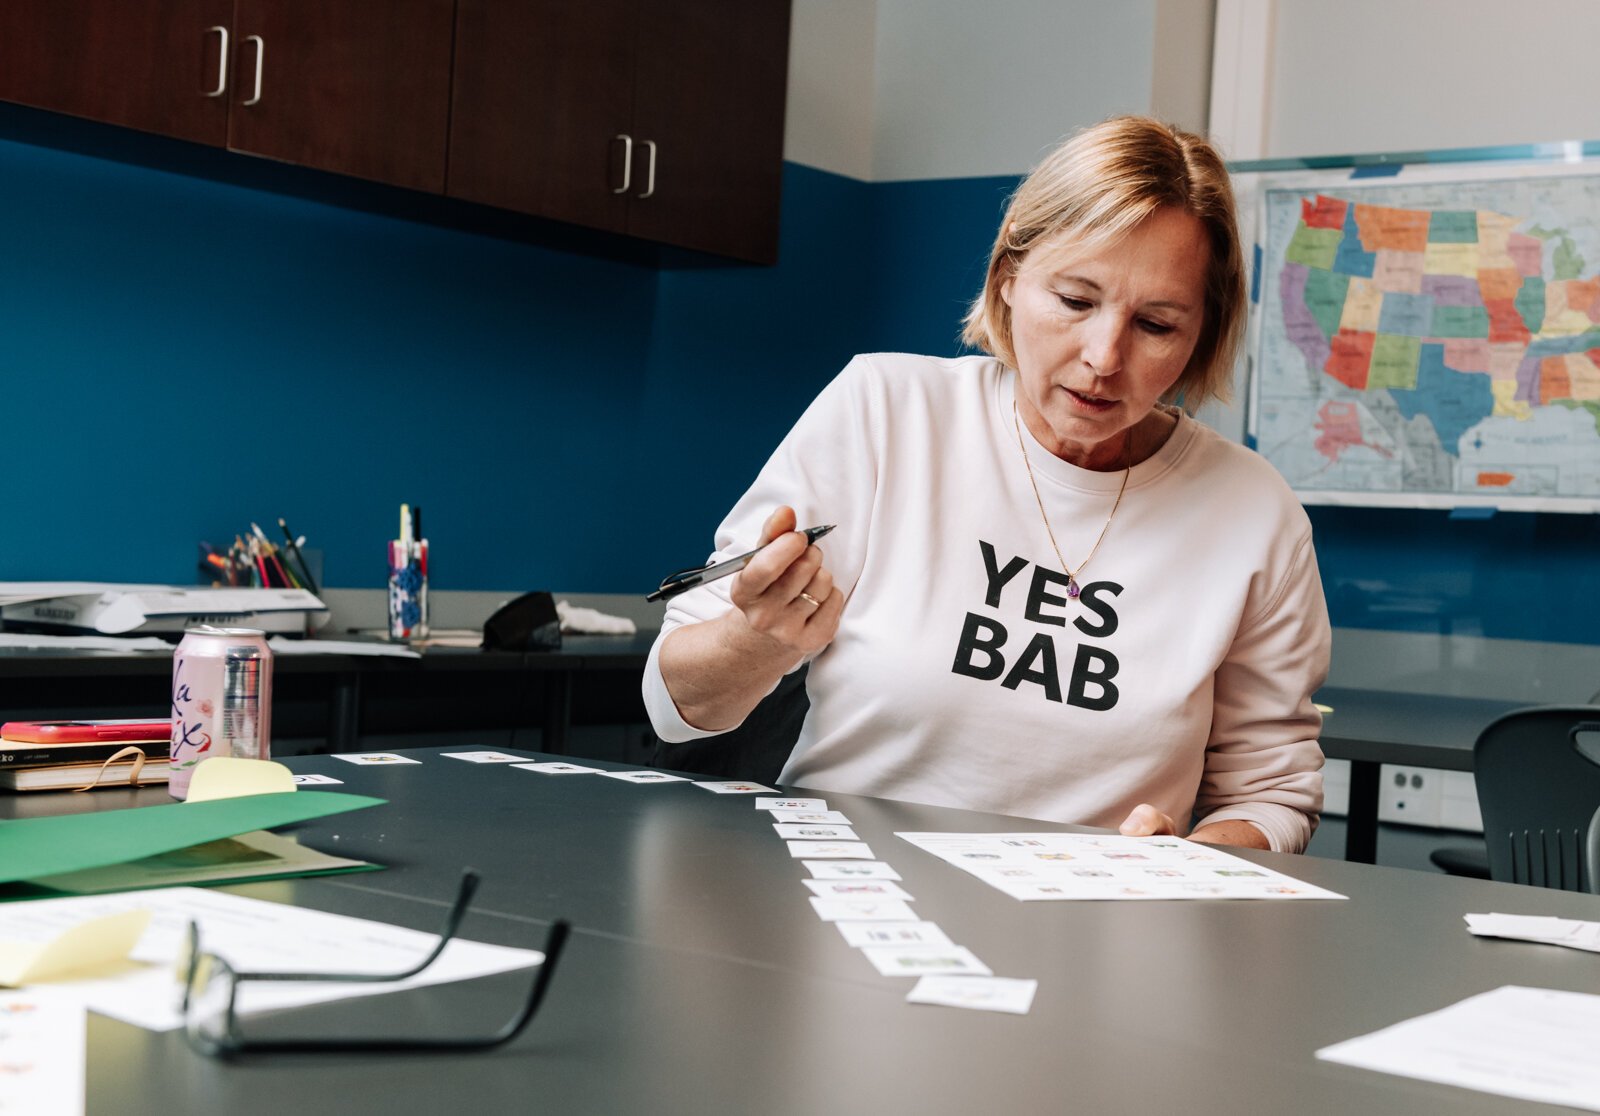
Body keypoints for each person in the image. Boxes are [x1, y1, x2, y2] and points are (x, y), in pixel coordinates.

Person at [642, 116, 1330, 853]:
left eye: (1157, 324)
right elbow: (676, 703)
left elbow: (1272, 794)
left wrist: (1189, 864)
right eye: (1074, 300)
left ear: (1203, 334)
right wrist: (758, 639)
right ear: (1008, 279)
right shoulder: (886, 407)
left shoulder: (1256, 514)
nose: (1104, 356)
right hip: (841, 904)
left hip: (1097, 933)